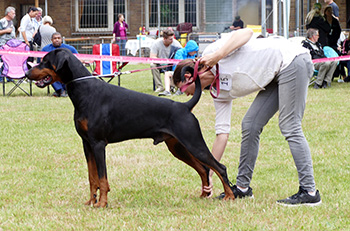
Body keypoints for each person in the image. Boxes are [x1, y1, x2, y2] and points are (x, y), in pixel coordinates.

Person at [173, 28, 322, 206]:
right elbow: (222, 134)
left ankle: (309, 191)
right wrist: (209, 174)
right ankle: (243, 188)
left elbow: (247, 33)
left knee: (290, 126)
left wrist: (217, 56)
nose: (187, 95)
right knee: (250, 125)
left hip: (292, 61)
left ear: (189, 77)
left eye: (182, 89)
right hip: (275, 75)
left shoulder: (211, 53)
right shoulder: (217, 92)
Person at [41, 32, 78, 97]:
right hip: (52, 69)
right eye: (55, 38)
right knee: (51, 74)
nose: (57, 40)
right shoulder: (45, 49)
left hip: (67, 69)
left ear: (61, 39)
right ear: (51, 40)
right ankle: (60, 90)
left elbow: (78, 58)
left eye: (58, 38)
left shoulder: (70, 48)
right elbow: (41, 61)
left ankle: (62, 91)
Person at [150, 28, 182, 92]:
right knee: (152, 65)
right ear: (164, 39)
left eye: (173, 38)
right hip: (160, 63)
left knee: (178, 66)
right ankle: (159, 87)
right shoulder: (156, 43)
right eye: (170, 39)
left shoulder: (176, 44)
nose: (172, 40)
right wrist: (162, 61)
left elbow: (182, 54)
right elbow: (152, 57)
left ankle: (172, 86)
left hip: (172, 64)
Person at [0, 6, 16, 83]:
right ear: (8, 13)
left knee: (9, 61)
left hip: (10, 45)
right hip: (2, 44)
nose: (15, 15)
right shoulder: (2, 21)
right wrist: (6, 30)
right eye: (13, 13)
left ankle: (9, 77)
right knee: (2, 61)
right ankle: (1, 78)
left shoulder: (11, 22)